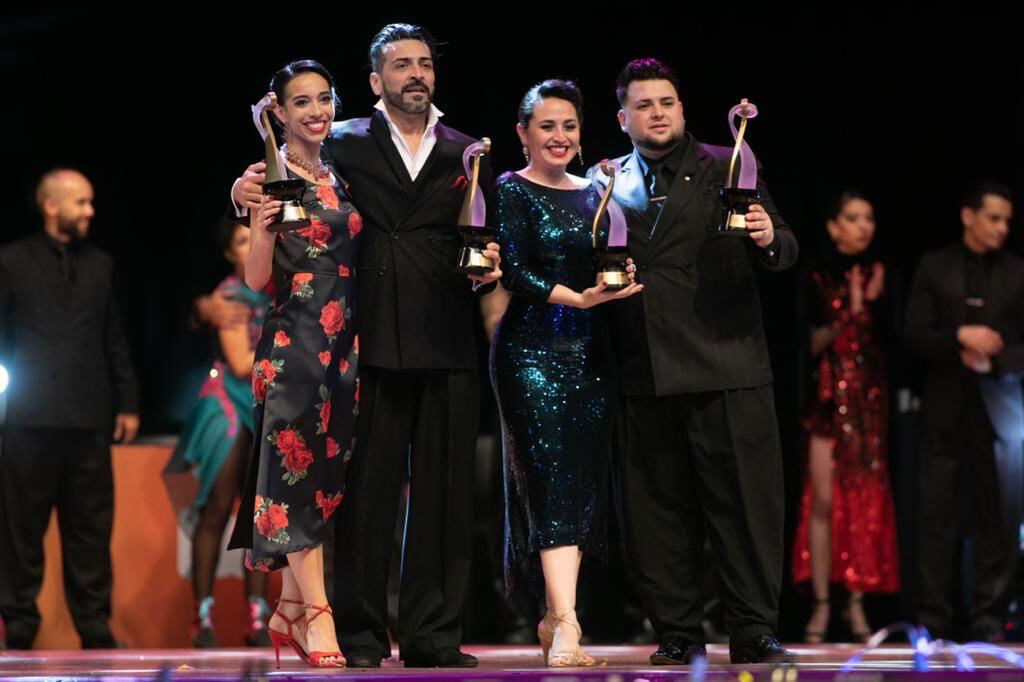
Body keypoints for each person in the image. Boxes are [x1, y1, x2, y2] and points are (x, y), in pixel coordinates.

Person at [231, 24, 501, 668]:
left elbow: (484, 230)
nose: (416, 73)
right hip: (359, 341)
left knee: (438, 497)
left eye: (426, 63)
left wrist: (492, 261)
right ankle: (353, 629)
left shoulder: (466, 150)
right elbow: (267, 186)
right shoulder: (346, 141)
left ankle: (432, 635)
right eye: (401, 64)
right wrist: (243, 193)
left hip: (436, 338)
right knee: (356, 494)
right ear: (375, 80)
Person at [590, 58, 798, 664]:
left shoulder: (727, 163)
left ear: (683, 110)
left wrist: (765, 236)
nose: (659, 114)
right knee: (656, 513)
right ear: (623, 117)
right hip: (643, 369)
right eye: (645, 106)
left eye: (668, 103)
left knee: (744, 507)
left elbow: (785, 248)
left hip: (727, 363)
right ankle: (677, 628)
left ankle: (754, 627)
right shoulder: (605, 177)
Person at [490, 80, 642, 667]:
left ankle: (557, 612)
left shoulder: (598, 189)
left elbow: (612, 254)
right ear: (523, 133)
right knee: (548, 479)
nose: (560, 137)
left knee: (579, 486)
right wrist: (573, 299)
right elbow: (515, 272)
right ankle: (569, 629)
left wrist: (619, 273)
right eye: (547, 126)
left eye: (569, 126)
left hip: (592, 353)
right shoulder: (510, 189)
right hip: (530, 352)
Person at [225, 59, 360, 668]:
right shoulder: (266, 175)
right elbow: (257, 279)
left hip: (344, 342)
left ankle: (286, 607)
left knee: (325, 477)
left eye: (324, 100)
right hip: (293, 342)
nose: (316, 112)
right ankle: (319, 614)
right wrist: (257, 224)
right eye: (301, 102)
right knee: (294, 475)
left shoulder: (340, 171)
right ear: (277, 111)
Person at [0, 168, 139, 649]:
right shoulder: (11, 261)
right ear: (51, 205)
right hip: (27, 416)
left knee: (89, 528)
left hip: (88, 415)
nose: (90, 211)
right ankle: (19, 619)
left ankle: (93, 623)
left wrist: (129, 401)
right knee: (20, 526)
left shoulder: (100, 264)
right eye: (81, 202)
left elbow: (113, 337)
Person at [905, 181, 1024, 642]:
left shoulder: (1017, 272)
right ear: (968, 216)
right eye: (994, 217)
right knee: (936, 518)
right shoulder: (935, 267)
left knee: (997, 517)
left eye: (1007, 220)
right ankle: (934, 617)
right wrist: (959, 337)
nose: (1002, 227)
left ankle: (990, 615)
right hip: (944, 408)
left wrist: (995, 358)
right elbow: (913, 332)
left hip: (1002, 412)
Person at [790, 192, 900, 643]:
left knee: (865, 502)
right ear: (834, 226)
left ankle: (856, 605)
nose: (863, 227)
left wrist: (872, 305)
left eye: (869, 218)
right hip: (824, 404)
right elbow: (806, 344)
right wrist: (847, 309)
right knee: (822, 502)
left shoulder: (882, 275)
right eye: (853, 218)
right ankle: (819, 604)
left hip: (869, 407)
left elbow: (896, 343)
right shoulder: (816, 277)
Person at [164, 219, 272, 647]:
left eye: (258, 237)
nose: (252, 245)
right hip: (228, 403)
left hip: (264, 406)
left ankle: (257, 620)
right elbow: (243, 364)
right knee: (217, 508)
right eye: (242, 241)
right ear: (229, 253)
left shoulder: (276, 293)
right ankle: (203, 618)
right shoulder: (231, 295)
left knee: (261, 518)